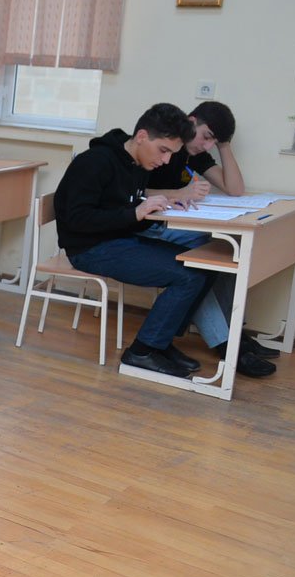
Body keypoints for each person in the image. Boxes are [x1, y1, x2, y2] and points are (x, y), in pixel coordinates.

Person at [54, 103, 223, 378]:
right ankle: (142, 351)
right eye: (164, 151)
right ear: (142, 136)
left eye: (172, 153)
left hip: (120, 240)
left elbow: (124, 206)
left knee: (203, 264)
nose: (166, 161)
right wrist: (135, 213)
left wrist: (157, 206)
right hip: (89, 249)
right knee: (189, 275)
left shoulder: (136, 163)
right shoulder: (94, 162)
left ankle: (160, 341)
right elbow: (77, 219)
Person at [142, 101, 274, 372]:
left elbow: (235, 189)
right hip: (148, 225)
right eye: (206, 136)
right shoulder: (163, 145)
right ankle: (226, 343)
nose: (206, 145)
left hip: (173, 223)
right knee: (206, 258)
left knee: (226, 251)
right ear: (191, 122)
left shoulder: (194, 151)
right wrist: (179, 194)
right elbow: (135, 191)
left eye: (213, 141)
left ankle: (232, 333)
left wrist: (224, 145)